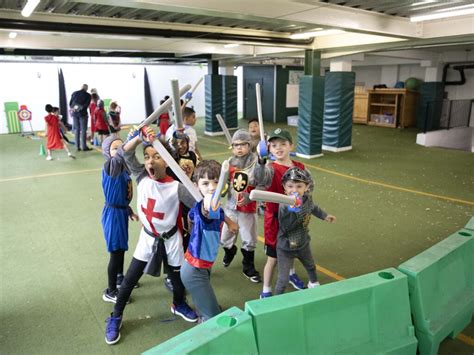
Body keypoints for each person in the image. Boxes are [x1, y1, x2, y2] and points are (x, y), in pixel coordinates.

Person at [104, 126, 198, 345]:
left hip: (172, 238)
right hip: (148, 238)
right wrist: (139, 137)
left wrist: (208, 205)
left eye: (157, 156)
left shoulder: (177, 187)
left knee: (177, 277)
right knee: (129, 279)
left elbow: (197, 205)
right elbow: (126, 154)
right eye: (147, 157)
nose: (150, 161)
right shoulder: (140, 177)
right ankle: (116, 315)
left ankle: (178, 303)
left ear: (167, 161)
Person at [181, 160, 239, 322]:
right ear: (196, 185)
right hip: (194, 270)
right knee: (212, 318)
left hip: (203, 266)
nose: (213, 187)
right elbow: (210, 208)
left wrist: (229, 221)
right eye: (205, 183)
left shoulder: (210, 205)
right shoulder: (206, 206)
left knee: (205, 306)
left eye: (216, 182)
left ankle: (206, 312)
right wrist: (210, 205)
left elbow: (218, 210)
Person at [253, 128, 307, 298]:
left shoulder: (299, 167)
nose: (278, 148)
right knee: (273, 258)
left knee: (292, 250)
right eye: (274, 145)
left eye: (283, 144)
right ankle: (266, 290)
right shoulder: (270, 168)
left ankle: (291, 274)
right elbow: (259, 178)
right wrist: (260, 161)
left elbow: (307, 187)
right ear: (269, 148)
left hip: (294, 219)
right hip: (275, 221)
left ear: (291, 146)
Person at [274, 167, 336, 295]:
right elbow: (286, 225)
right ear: (284, 188)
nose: (294, 190)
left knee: (311, 266)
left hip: (302, 243)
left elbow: (313, 208)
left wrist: (324, 216)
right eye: (290, 186)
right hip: (285, 247)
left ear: (306, 187)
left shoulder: (307, 199)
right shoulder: (284, 204)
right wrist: (291, 209)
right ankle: (275, 301)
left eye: (299, 186)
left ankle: (313, 284)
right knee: (283, 279)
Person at [100, 135, 138, 303]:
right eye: (114, 148)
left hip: (121, 212)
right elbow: (122, 154)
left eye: (120, 146)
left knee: (121, 249)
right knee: (115, 252)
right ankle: (111, 290)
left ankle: (120, 278)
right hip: (113, 215)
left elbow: (122, 194)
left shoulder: (123, 169)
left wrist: (128, 209)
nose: (119, 150)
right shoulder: (111, 166)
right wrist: (135, 138)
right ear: (107, 153)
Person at [220, 129, 261, 283]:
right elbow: (223, 184)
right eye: (236, 145)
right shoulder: (229, 162)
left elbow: (263, 181)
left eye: (243, 144)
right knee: (224, 238)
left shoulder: (257, 162)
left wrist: (263, 163)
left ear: (249, 145)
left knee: (249, 239)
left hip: (247, 208)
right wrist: (219, 194)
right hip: (231, 206)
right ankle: (230, 251)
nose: (239, 148)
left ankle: (248, 265)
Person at [69, 84, 92, 151]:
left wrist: (74, 109)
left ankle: (77, 147)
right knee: (83, 130)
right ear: (86, 89)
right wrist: (80, 108)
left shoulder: (74, 93)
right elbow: (86, 105)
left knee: (77, 130)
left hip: (75, 114)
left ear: (81, 87)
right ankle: (84, 147)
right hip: (83, 114)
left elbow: (70, 103)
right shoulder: (88, 95)